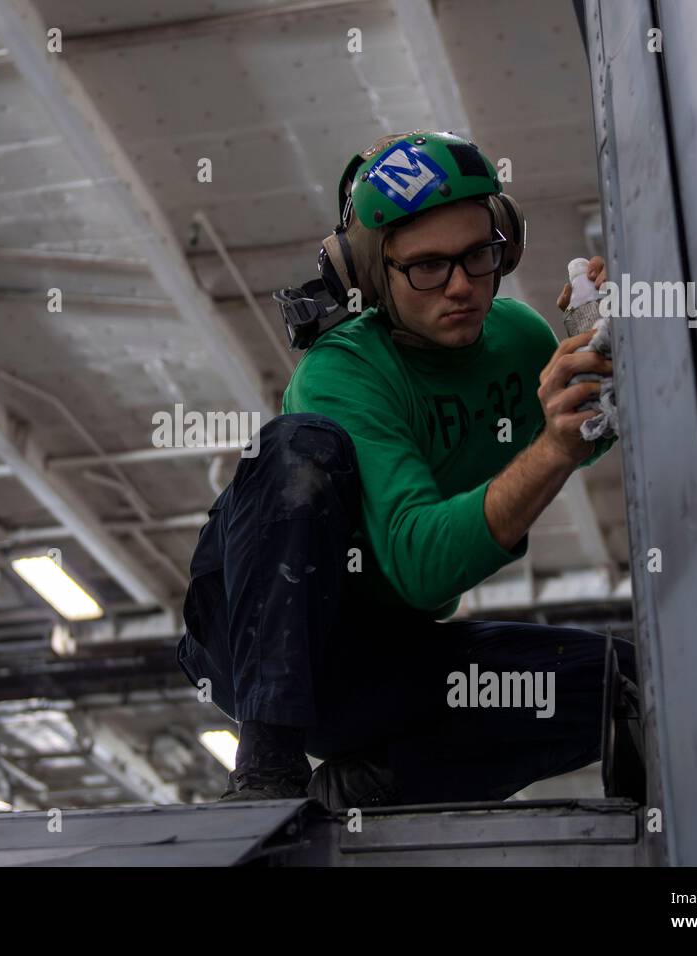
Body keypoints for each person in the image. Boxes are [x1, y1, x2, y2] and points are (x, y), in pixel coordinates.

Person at [177, 131, 644, 807]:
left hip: (381, 661)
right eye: (427, 267)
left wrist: (599, 370)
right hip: (257, 642)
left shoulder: (517, 338)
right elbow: (422, 568)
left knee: (615, 681)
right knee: (297, 448)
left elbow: (570, 441)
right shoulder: (342, 370)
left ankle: (378, 784)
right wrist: (554, 448)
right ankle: (267, 767)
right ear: (369, 276)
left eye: (478, 256)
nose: (460, 287)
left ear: (503, 245)